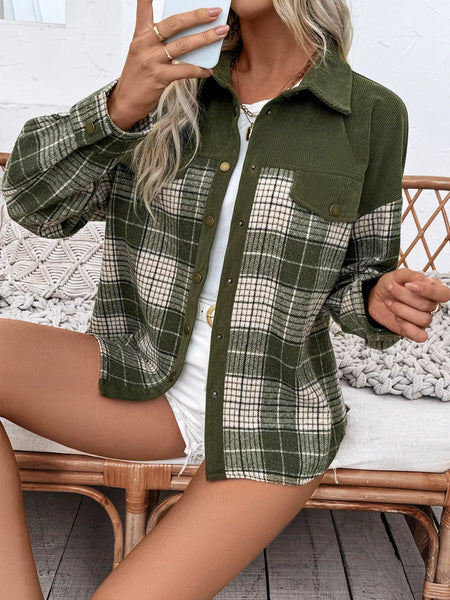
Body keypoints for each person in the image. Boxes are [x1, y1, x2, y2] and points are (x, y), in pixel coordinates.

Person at [1, 1, 449, 598]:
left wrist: (376, 299)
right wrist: (119, 106)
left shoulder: (371, 114)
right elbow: (31, 203)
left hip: (271, 417)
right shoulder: (167, 87)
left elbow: (360, 272)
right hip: (142, 377)